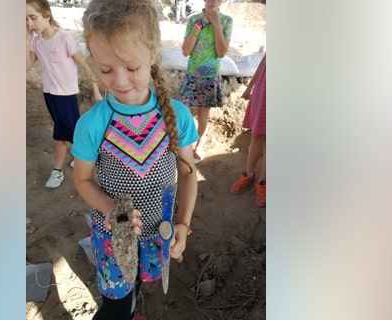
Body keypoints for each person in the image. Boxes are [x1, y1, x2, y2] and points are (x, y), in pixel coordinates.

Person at [72, 0, 199, 318]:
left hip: (158, 229)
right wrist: (112, 210)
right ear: (93, 62)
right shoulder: (91, 125)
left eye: (132, 67)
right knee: (114, 303)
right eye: (105, 69)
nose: (120, 81)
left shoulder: (178, 116)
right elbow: (83, 180)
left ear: (153, 55)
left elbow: (187, 174)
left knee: (137, 284)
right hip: (114, 233)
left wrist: (182, 223)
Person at [26, 0, 102, 189]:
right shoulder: (36, 42)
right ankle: (80, 156)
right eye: (25, 20)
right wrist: (27, 40)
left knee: (63, 134)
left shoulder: (64, 39)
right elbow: (27, 66)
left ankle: (59, 170)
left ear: (46, 15)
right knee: (66, 131)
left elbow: (85, 65)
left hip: (66, 96)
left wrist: (96, 91)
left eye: (33, 17)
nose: (29, 24)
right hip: (49, 95)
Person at [176, 0, 232, 164]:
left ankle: (199, 146)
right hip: (192, 74)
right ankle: (183, 144)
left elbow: (221, 52)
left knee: (203, 115)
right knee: (183, 111)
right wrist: (198, 27)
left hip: (210, 75)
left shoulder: (227, 21)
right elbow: (186, 51)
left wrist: (216, 24)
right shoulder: (193, 19)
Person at [230, 54, 266, 207]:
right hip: (264, 89)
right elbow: (265, 59)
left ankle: (263, 183)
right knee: (256, 135)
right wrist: (250, 86)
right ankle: (248, 174)